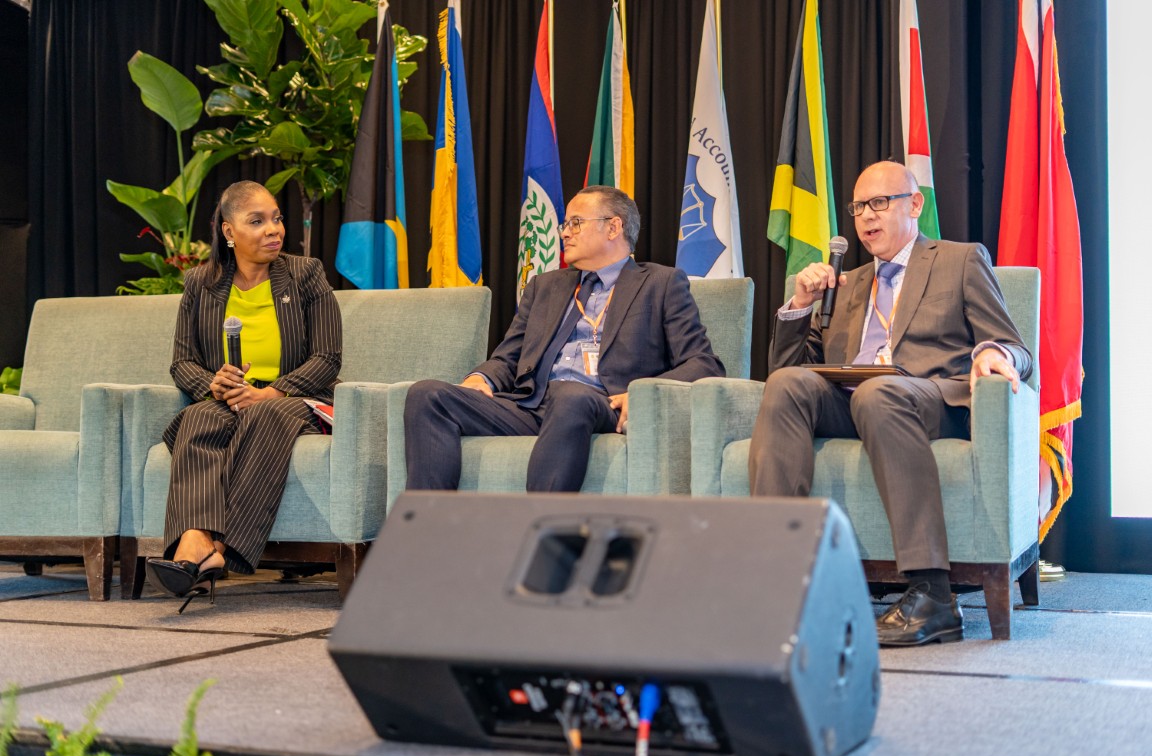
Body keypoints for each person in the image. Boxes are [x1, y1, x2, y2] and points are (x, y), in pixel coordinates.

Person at [748, 161, 1032, 647]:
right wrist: (800, 304)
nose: (866, 216)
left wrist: (993, 353)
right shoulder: (847, 282)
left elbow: (1015, 347)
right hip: (852, 401)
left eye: (879, 203)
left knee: (880, 391)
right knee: (788, 386)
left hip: (926, 399)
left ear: (914, 204)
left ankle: (933, 594)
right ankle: (782, 580)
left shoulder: (959, 260)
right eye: (859, 207)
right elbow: (790, 367)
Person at [404, 185, 724, 493]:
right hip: (531, 403)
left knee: (571, 395)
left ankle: (540, 525)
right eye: (564, 225)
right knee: (427, 394)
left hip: (600, 403)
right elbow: (509, 357)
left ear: (613, 228)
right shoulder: (545, 286)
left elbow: (703, 363)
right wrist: (482, 378)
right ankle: (428, 523)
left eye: (576, 223)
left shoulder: (661, 283)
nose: (565, 233)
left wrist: (644, 393)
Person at [145, 181, 342, 611]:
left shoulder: (306, 274)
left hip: (295, 400)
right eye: (257, 221)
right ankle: (193, 542)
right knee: (197, 417)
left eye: (277, 219)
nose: (273, 230)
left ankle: (220, 549)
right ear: (229, 231)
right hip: (230, 399)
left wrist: (271, 392)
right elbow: (183, 362)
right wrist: (212, 386)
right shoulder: (201, 283)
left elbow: (328, 358)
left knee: (261, 415)